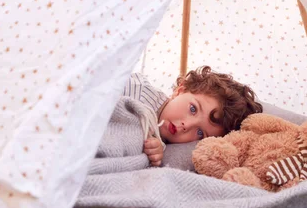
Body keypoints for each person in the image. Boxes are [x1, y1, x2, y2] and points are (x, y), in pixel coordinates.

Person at [104, 66, 263, 167]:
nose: (186, 125)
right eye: (193, 109)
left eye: (200, 133)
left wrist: (157, 151)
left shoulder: (163, 143)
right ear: (180, 90)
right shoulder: (138, 89)